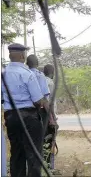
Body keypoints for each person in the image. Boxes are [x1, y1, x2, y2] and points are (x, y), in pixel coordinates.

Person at [1, 43, 44, 177]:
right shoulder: (27, 74)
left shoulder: (3, 74)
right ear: (22, 55)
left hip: (11, 117)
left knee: (17, 152)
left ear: (9, 55)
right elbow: (38, 100)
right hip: (28, 116)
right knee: (33, 154)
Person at [26, 54, 50, 130]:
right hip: (39, 110)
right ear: (37, 63)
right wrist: (51, 118)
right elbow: (45, 97)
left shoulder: (24, 74)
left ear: (27, 64)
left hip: (25, 110)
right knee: (42, 133)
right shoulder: (40, 75)